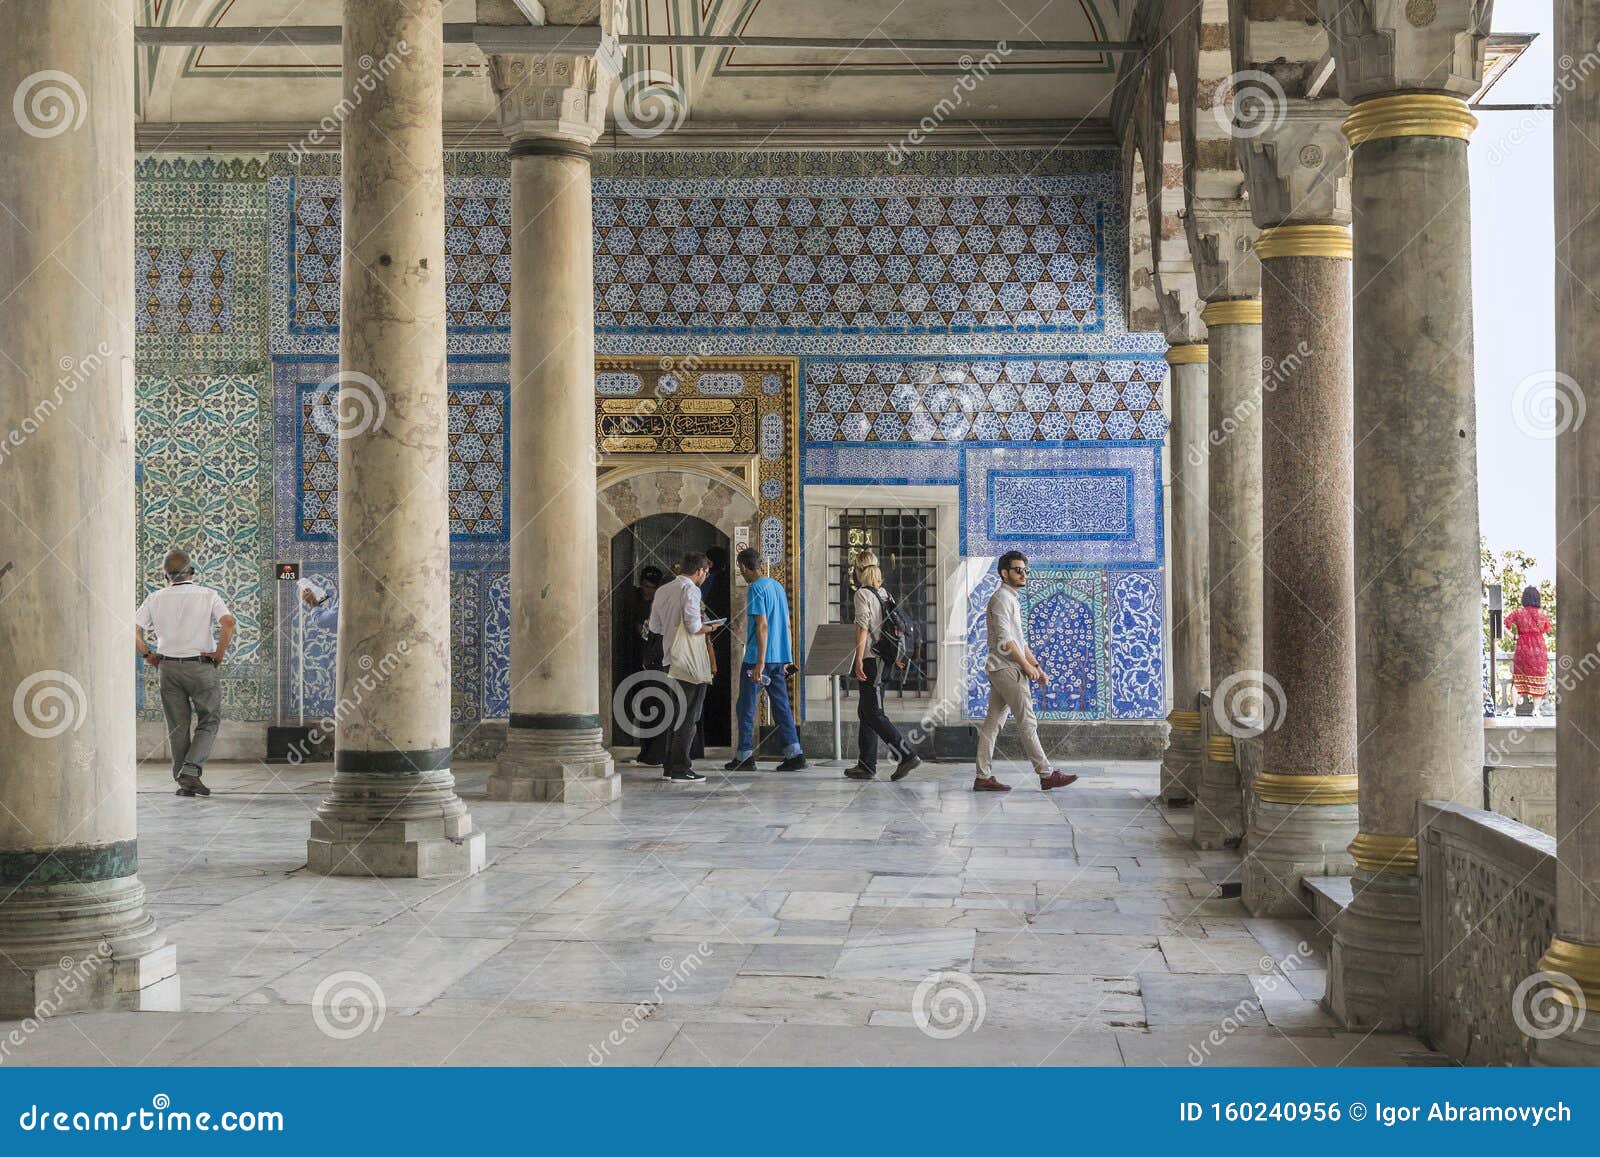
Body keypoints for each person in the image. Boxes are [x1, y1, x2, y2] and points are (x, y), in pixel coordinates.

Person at [974, 550, 1078, 793]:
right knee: (1027, 721)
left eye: (1025, 571)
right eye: (1018, 570)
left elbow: (1020, 643)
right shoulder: (1001, 599)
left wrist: (1036, 667)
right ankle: (1046, 774)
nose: (1024, 575)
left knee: (992, 723)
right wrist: (1026, 666)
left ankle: (982, 776)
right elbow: (1005, 641)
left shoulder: (1010, 598)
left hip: (1003, 667)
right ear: (1004, 573)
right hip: (1007, 669)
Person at [134, 549, 235, 797]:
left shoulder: (155, 598)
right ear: (192, 571)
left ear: (165, 575)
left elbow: (132, 628)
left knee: (177, 726)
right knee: (209, 719)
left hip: (167, 668)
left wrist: (147, 655)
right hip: (200, 666)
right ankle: (190, 771)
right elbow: (228, 622)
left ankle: (184, 781)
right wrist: (219, 653)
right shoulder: (208, 595)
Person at [725, 549, 806, 772]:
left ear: (743, 566)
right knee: (781, 706)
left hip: (757, 659)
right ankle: (795, 754)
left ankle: (744, 756)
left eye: (740, 567)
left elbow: (762, 626)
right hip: (779, 658)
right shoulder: (777, 586)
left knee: (746, 707)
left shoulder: (755, 588)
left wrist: (759, 662)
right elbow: (787, 624)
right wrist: (788, 658)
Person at [844, 551, 921, 781]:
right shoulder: (885, 594)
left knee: (874, 712)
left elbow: (862, 627)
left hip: (871, 658)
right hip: (885, 659)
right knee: (866, 710)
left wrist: (858, 659)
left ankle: (906, 755)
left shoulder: (862, 594)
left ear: (858, 571)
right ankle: (866, 764)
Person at [649, 552, 718, 783]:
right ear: (699, 571)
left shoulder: (663, 590)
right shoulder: (691, 590)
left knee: (675, 713)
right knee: (689, 715)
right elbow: (694, 626)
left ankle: (670, 767)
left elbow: (655, 627)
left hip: (669, 657)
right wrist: (711, 627)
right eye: (706, 572)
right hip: (688, 660)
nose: (705, 576)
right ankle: (681, 767)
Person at [620, 566, 669, 767]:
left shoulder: (660, 607)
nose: (647, 591)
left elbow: (649, 633)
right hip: (644, 662)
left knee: (657, 706)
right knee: (646, 705)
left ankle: (655, 754)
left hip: (657, 663)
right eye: (645, 586)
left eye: (652, 587)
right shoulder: (636, 603)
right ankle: (647, 753)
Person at [1505, 585, 1553, 716]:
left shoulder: (1518, 613)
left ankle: (1513, 710)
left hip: (1523, 648)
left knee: (1518, 681)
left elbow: (1504, 625)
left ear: (1524, 598)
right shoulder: (1542, 614)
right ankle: (1536, 711)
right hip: (1539, 649)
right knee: (1538, 679)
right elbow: (1546, 629)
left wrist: (1514, 637)